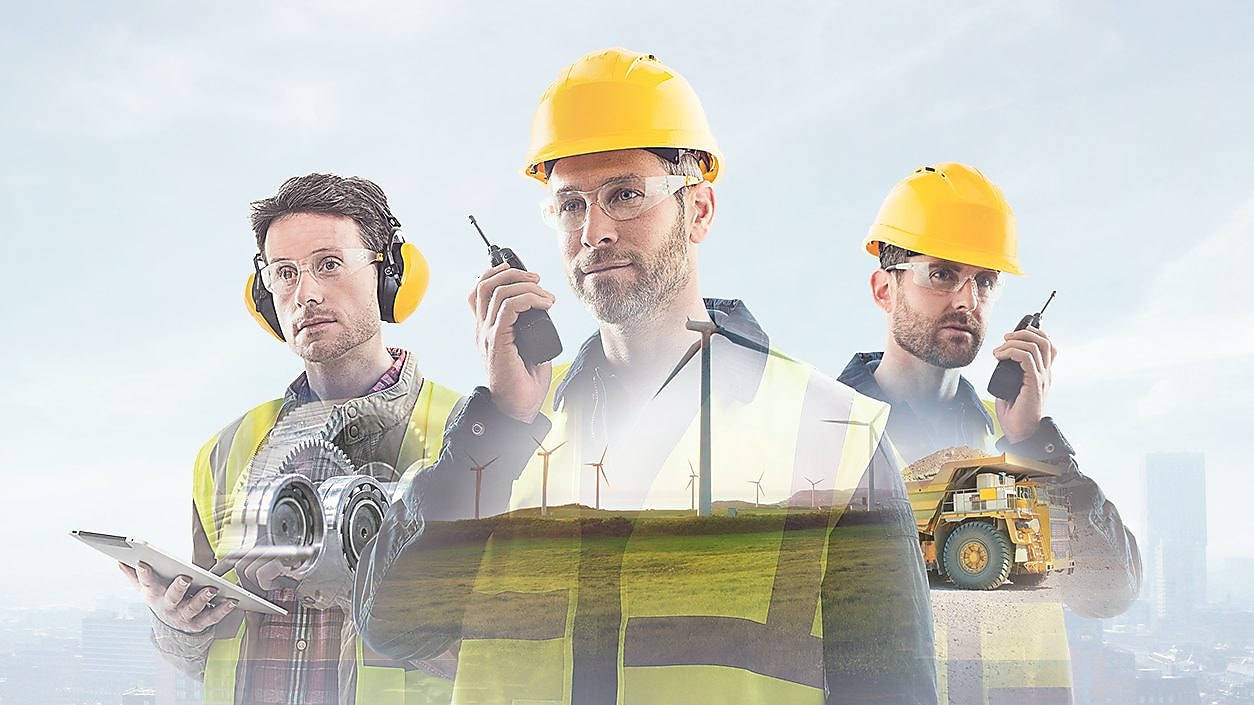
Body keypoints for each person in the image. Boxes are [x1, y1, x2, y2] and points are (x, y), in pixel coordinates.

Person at [355, 48, 938, 704]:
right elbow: (395, 628)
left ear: (700, 210)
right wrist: (499, 422)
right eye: (570, 205)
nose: (594, 232)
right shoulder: (506, 433)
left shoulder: (833, 434)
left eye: (625, 195)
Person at [120, 173, 549, 705]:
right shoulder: (226, 452)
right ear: (265, 296)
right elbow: (204, 655)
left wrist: (364, 589)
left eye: (328, 264)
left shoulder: (478, 441)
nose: (306, 293)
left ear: (389, 275)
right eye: (285, 273)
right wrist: (178, 624)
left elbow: (516, 655)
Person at [838, 162, 1143, 704]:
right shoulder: (824, 434)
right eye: (941, 274)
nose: (967, 301)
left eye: (984, 280)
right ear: (884, 288)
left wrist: (1032, 441)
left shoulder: (1016, 441)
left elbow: (1108, 591)